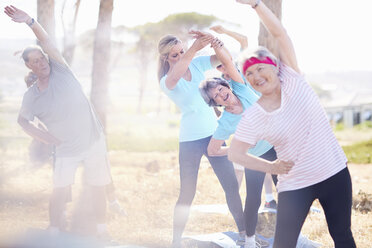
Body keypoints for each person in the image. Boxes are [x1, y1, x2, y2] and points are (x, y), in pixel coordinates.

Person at [228, 1, 357, 247]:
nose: (255, 76)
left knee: (342, 235)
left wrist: (256, 4)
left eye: (259, 68)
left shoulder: (294, 78)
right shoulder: (254, 115)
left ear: (275, 67)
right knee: (284, 244)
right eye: (249, 74)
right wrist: (272, 167)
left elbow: (280, 33)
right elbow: (236, 153)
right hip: (296, 183)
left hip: (334, 173)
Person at [4, 5, 113, 241]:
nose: (41, 62)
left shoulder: (62, 71)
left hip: (93, 139)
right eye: (34, 60)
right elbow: (22, 121)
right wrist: (44, 137)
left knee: (97, 187)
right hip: (65, 148)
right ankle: (53, 233)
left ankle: (103, 232)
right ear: (29, 66)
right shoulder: (31, 96)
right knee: (60, 190)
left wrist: (30, 21)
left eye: (41, 57)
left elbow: (47, 41)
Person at [157, 32, 246, 247]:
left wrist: (216, 43)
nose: (179, 56)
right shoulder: (166, 81)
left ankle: (245, 234)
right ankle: (176, 241)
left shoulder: (196, 63)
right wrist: (194, 48)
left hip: (214, 135)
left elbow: (224, 59)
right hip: (189, 140)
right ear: (165, 59)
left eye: (181, 51)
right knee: (188, 192)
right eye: (174, 55)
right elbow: (176, 74)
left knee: (231, 186)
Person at [199, 49, 279, 248]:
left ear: (226, 85)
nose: (221, 94)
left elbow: (229, 63)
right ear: (214, 103)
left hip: (276, 147)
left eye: (220, 89)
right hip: (254, 158)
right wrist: (237, 147)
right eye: (215, 96)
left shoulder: (241, 88)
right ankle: (249, 241)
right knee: (253, 199)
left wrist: (217, 45)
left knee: (287, 192)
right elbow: (212, 150)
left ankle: (290, 234)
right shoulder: (225, 122)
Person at [210, 24, 278, 208]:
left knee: (271, 165)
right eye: (221, 68)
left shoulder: (241, 71)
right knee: (244, 171)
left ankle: (270, 198)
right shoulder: (228, 88)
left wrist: (224, 31)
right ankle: (237, 210)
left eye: (225, 65)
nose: (224, 70)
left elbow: (244, 40)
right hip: (249, 131)